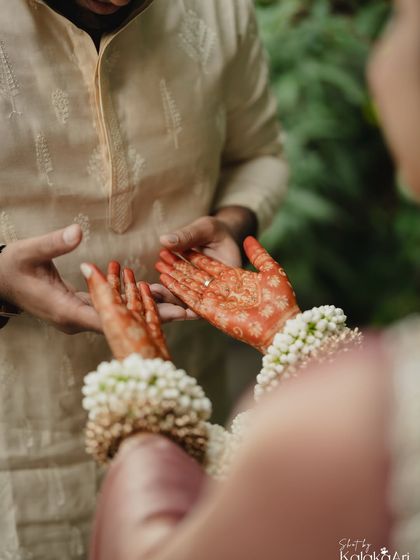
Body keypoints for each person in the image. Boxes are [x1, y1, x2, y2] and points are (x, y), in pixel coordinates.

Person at [83, 0, 420, 557]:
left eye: (403, 22)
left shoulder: (367, 418)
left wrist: (146, 399)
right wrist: (295, 338)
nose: (378, 63)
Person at [0, 0, 287, 557]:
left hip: (191, 409)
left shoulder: (219, 11)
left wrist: (233, 221)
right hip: (18, 443)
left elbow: (261, 155)